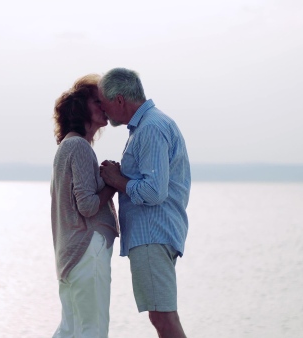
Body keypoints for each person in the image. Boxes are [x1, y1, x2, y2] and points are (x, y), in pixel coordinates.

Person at [98, 68, 191, 338]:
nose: (103, 112)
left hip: (152, 234)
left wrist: (117, 180)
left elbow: (154, 191)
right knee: (160, 315)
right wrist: (122, 176)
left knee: (163, 318)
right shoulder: (149, 125)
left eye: (103, 104)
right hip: (155, 233)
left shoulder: (150, 128)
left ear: (119, 100)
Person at [50, 74, 120, 338]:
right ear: (80, 107)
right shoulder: (79, 147)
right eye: (97, 101)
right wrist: (113, 183)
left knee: (70, 329)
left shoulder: (67, 146)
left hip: (70, 253)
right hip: (87, 248)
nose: (104, 105)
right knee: (93, 329)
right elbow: (88, 206)